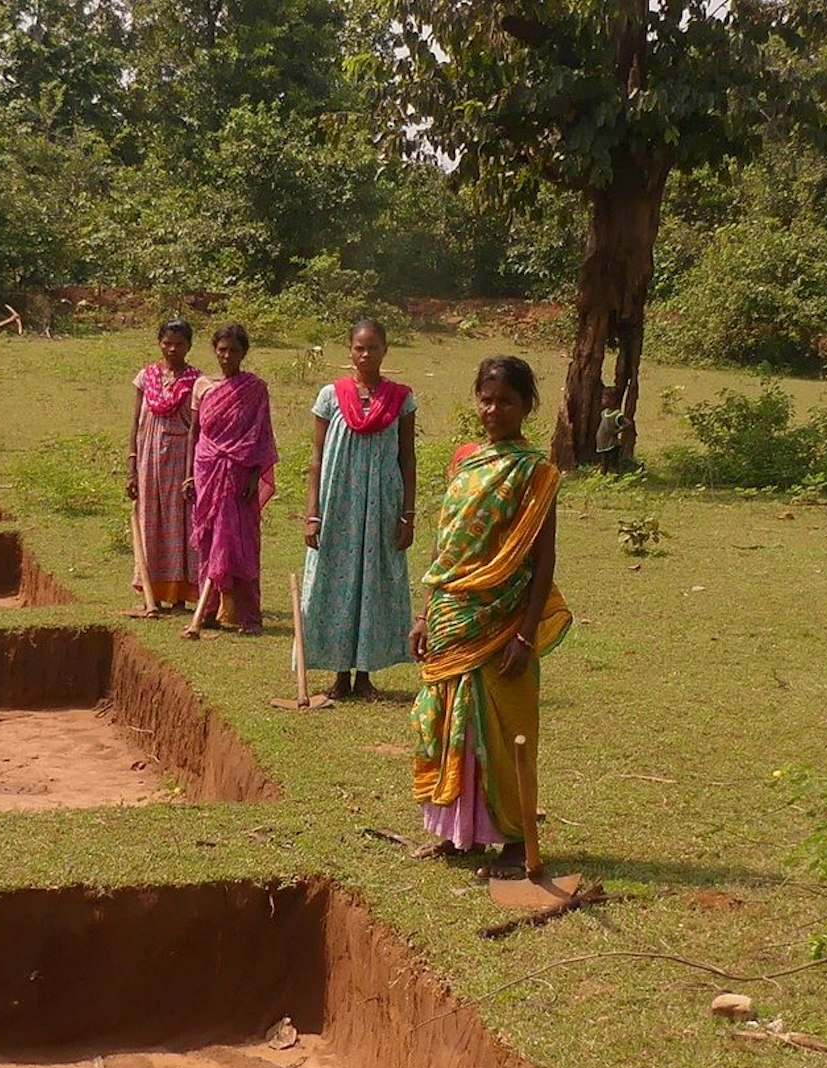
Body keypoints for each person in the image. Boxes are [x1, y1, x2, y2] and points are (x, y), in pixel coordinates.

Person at [409, 355, 572, 872]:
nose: (493, 409)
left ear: (527, 405)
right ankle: (460, 833)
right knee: (445, 723)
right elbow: (445, 546)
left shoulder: (536, 473)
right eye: (486, 398)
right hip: (452, 613)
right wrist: (424, 613)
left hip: (502, 621)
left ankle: (518, 841)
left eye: (505, 400)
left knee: (502, 733)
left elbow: (543, 559)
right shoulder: (464, 462)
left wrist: (525, 636)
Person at [300, 317, 416, 699]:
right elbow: (317, 457)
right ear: (349, 351)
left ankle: (365, 675)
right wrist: (312, 512)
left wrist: (407, 514)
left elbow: (407, 459)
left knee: (373, 581)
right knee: (335, 580)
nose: (366, 355)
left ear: (386, 350)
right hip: (338, 504)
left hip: (382, 504)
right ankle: (338, 673)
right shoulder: (330, 396)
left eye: (373, 347)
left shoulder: (401, 398)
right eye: (359, 348)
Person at [182, 322, 276, 639]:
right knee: (209, 539)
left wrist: (252, 475)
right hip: (207, 469)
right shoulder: (203, 386)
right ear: (214, 350)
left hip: (239, 473)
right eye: (222, 350)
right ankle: (208, 611)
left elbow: (261, 437)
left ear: (243, 353)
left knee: (242, 542)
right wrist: (189, 475)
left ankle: (248, 615)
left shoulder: (255, 389)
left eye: (233, 350)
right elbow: (195, 433)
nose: (226, 356)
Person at [124, 319, 201, 616]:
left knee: (180, 523)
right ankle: (150, 591)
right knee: (149, 521)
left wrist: (193, 472)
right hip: (147, 459)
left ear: (189, 346)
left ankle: (180, 596)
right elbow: (135, 421)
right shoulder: (146, 377)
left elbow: (198, 427)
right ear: (159, 343)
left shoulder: (197, 381)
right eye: (167, 343)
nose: (172, 349)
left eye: (179, 344)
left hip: (181, 459)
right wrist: (131, 463)